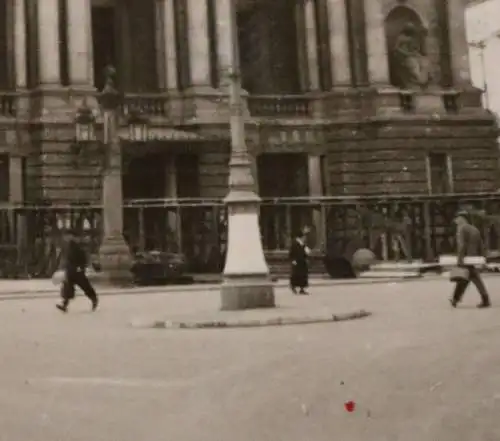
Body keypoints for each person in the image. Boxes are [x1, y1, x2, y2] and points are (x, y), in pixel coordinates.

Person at [450, 210, 491, 309]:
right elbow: (481, 244)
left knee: (465, 277)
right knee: (469, 277)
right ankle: (456, 299)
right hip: (473, 257)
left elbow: (462, 245)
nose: (455, 220)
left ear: (462, 219)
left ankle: (456, 299)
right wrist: (483, 257)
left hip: (466, 258)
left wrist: (460, 259)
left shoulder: (462, 229)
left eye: (457, 218)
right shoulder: (474, 228)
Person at [56, 228, 99, 313]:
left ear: (71, 236)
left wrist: (81, 267)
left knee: (85, 286)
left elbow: (83, 258)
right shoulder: (69, 246)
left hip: (78, 270)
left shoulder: (78, 246)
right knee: (68, 287)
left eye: (67, 236)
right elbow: (68, 258)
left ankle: (94, 299)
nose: (66, 238)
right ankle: (64, 305)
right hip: (71, 270)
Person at [289, 230, 310, 295]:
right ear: (301, 237)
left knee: (303, 275)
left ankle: (302, 289)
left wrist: (306, 254)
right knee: (296, 275)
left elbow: (305, 252)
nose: (305, 238)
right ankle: (293, 286)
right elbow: (291, 253)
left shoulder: (302, 243)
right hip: (296, 261)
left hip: (302, 261)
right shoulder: (294, 243)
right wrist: (292, 260)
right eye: (304, 236)